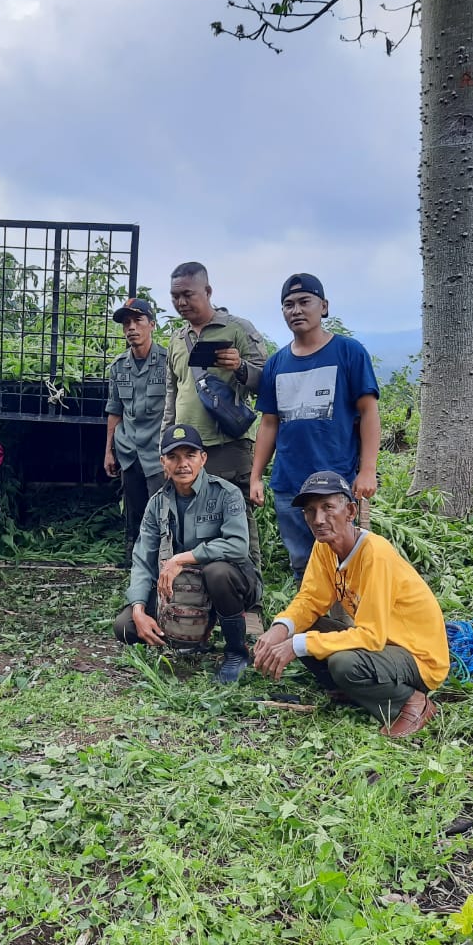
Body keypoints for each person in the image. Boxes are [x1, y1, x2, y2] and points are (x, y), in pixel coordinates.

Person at [252, 472, 448, 737]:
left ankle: (412, 702)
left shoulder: (375, 555)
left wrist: (298, 644)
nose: (318, 519)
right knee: (305, 629)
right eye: (310, 511)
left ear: (351, 511)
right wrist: (282, 629)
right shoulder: (324, 547)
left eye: (328, 508)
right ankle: (358, 690)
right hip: (383, 647)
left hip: (416, 656)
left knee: (344, 663)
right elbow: (310, 599)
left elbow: (371, 636)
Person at [251, 273, 380, 584]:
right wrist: (256, 475)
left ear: (323, 306)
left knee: (345, 557)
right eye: (288, 304)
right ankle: (309, 623)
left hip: (337, 479)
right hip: (289, 484)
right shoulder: (277, 362)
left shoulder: (349, 352)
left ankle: (348, 624)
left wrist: (368, 470)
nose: (296, 310)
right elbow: (269, 423)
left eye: (304, 302)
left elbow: (368, 411)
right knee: (302, 562)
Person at [114, 424, 260, 683]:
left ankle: (236, 652)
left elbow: (238, 546)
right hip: (184, 591)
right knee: (125, 627)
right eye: (173, 457)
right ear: (163, 462)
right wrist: (137, 609)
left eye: (190, 455)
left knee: (218, 572)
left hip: (227, 586)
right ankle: (184, 636)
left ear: (203, 458)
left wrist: (180, 559)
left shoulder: (226, 494)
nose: (182, 464)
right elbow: (142, 559)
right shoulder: (157, 503)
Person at [161, 262, 267, 573]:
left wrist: (240, 367)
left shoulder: (238, 329)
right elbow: (173, 394)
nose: (181, 302)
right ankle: (199, 595)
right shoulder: (177, 339)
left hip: (228, 445)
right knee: (190, 518)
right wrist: (163, 445)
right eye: (175, 296)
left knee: (238, 519)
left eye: (188, 295)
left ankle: (249, 595)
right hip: (185, 449)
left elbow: (266, 383)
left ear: (208, 291)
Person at [103, 298, 168, 564]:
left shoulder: (168, 362)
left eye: (138, 321)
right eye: (126, 323)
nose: (131, 328)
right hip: (129, 450)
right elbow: (114, 411)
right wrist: (108, 452)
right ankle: (133, 557)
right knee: (134, 509)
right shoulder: (119, 367)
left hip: (158, 451)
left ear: (151, 324)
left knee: (161, 509)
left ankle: (160, 559)